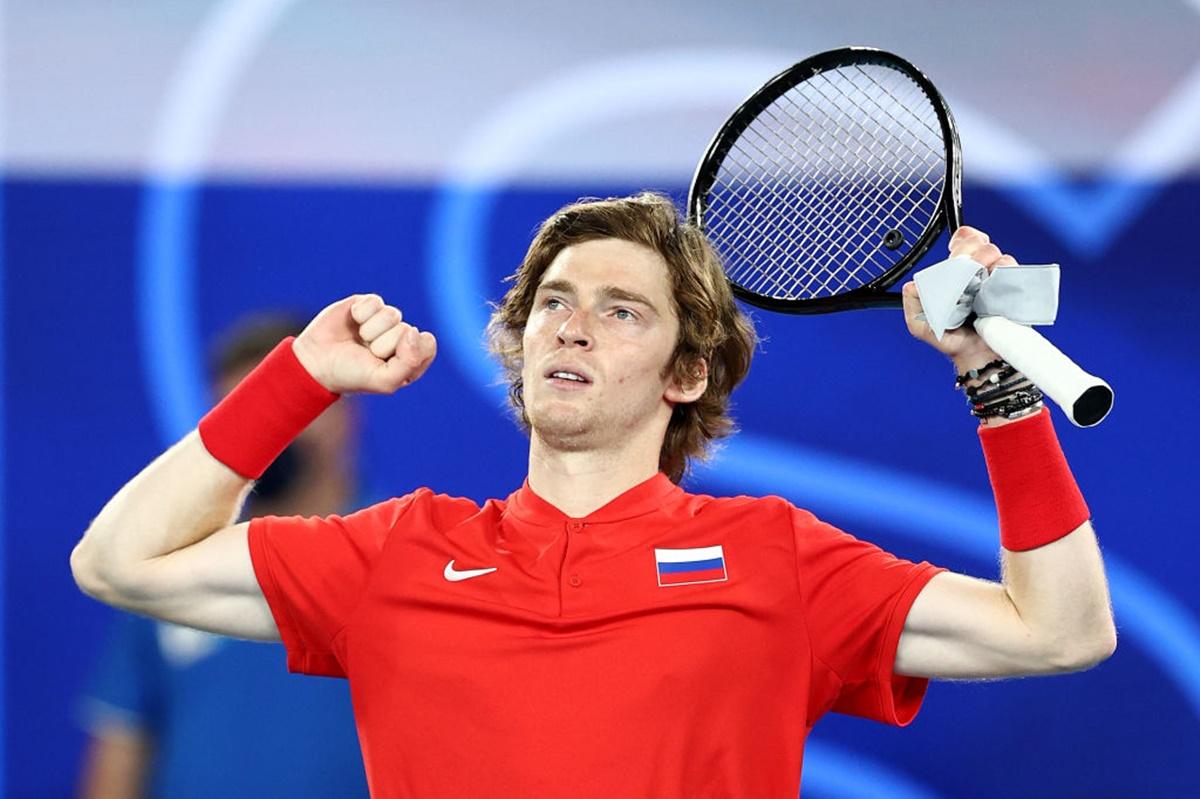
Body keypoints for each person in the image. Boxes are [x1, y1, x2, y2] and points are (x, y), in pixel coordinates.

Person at [71, 193, 1117, 798]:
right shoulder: (397, 549)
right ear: (521, 347)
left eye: (622, 310)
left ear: (687, 373)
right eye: (554, 303)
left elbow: (1060, 629)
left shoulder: (776, 557)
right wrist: (295, 378)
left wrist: (996, 379)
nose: (572, 325)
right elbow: (117, 561)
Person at [75, 315, 369, 799]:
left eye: (291, 407)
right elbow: (122, 739)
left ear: (343, 411)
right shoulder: (169, 563)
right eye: (248, 415)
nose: (272, 434)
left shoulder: (401, 554)